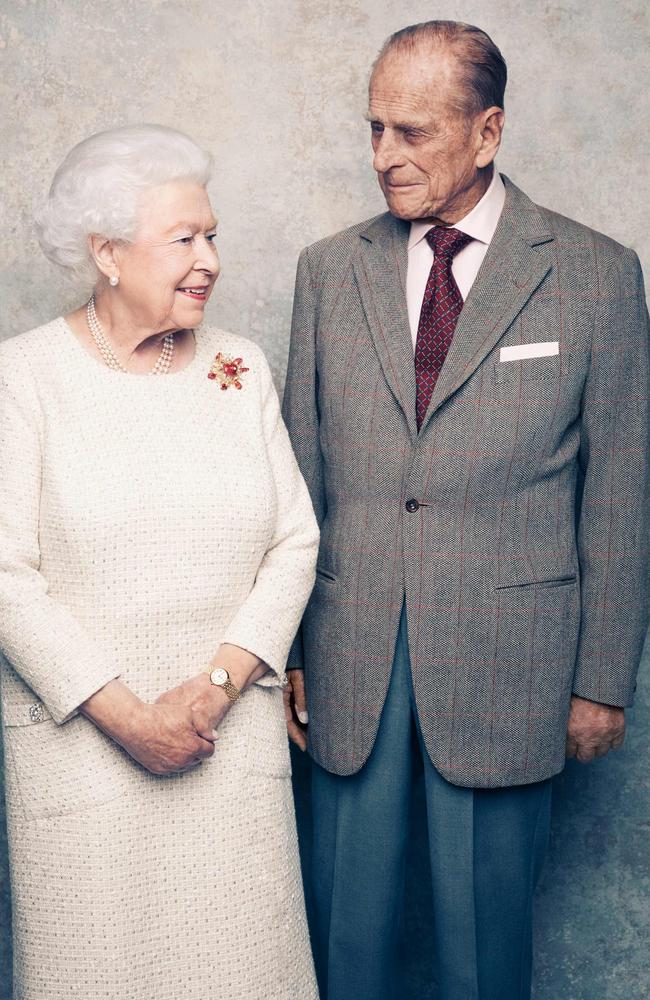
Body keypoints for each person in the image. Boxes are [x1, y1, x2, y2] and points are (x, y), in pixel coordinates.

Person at [282, 20, 650, 1000]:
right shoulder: (327, 270)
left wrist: (600, 679)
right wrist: (289, 651)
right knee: (341, 941)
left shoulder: (596, 274)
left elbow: (617, 493)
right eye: (372, 130)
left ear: (485, 133)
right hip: (350, 653)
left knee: (481, 954)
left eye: (411, 132)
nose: (384, 157)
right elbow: (299, 477)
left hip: (510, 659)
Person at [0, 123, 319, 1000]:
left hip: (227, 754)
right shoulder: (23, 377)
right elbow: (5, 577)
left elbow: (295, 541)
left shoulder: (239, 368)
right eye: (185, 238)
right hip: (84, 762)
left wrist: (212, 691)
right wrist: (130, 717)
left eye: (212, 235)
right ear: (106, 252)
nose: (209, 258)